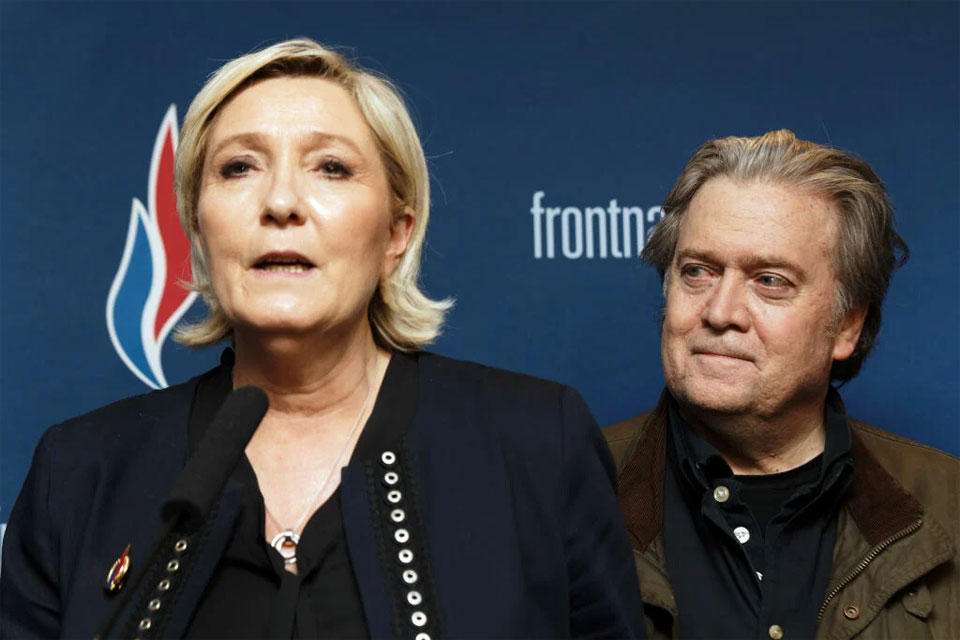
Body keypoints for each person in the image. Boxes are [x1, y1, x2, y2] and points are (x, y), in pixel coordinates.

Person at [0, 39, 645, 639]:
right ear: (198, 232)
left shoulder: (538, 444)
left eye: (331, 168)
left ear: (395, 235)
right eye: (239, 167)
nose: (281, 202)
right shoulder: (78, 472)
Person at [606, 130, 958, 639]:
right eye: (698, 271)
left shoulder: (949, 507)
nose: (720, 312)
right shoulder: (567, 491)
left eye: (770, 281)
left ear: (847, 325)